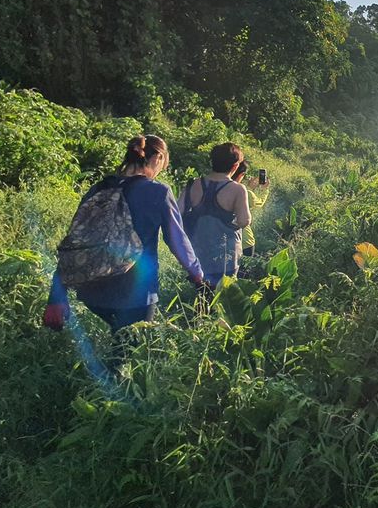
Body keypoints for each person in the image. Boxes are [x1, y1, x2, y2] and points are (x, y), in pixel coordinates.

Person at [42, 135, 208, 368]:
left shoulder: (99, 187)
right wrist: (198, 274)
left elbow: (75, 240)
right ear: (158, 158)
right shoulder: (158, 191)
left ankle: (102, 388)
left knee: (120, 343)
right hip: (136, 292)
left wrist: (56, 294)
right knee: (128, 355)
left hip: (93, 290)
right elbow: (177, 240)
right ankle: (107, 398)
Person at [179, 142, 251, 287]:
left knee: (201, 296)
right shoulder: (238, 189)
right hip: (226, 257)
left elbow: (177, 212)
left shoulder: (193, 184)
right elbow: (244, 221)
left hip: (197, 253)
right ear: (235, 166)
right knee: (222, 298)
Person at [231, 160, 268, 258]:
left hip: (221, 242)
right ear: (241, 174)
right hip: (245, 242)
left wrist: (249, 188)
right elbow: (258, 203)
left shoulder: (215, 188)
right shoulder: (245, 192)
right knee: (243, 271)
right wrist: (265, 190)